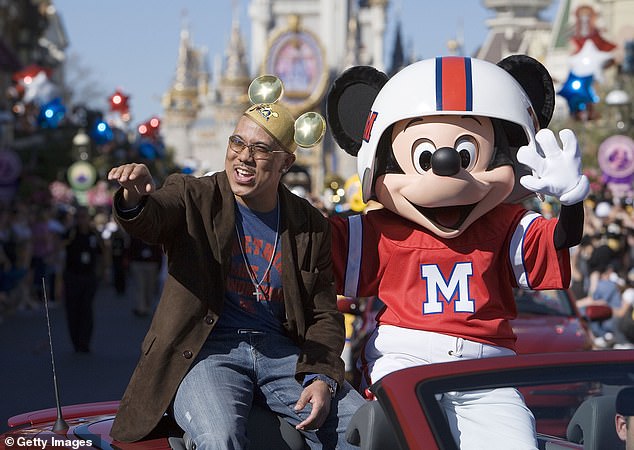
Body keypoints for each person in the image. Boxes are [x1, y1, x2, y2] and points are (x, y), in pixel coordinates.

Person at [326, 55, 589, 449]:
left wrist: (571, 202)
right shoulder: (378, 231)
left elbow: (556, 242)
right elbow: (307, 243)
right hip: (405, 364)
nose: (447, 167)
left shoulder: (504, 225)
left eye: (466, 155)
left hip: (485, 374)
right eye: (425, 157)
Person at [107, 78, 365, 448]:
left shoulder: (308, 224)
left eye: (260, 149)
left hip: (282, 356)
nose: (243, 156)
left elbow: (323, 314)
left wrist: (321, 378)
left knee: (361, 429)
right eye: (237, 142)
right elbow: (155, 217)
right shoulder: (196, 195)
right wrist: (135, 199)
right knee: (219, 437)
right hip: (207, 352)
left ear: (285, 163)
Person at [62, 206, 105, 353]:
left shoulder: (94, 234)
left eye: (84, 217)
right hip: (73, 275)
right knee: (73, 310)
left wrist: (102, 272)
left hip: (89, 276)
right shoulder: (71, 233)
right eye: (78, 217)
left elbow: (103, 252)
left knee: (86, 309)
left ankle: (85, 342)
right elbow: (61, 248)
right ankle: (75, 342)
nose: (81, 220)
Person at [128, 235, 162, 316]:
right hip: (138, 262)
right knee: (140, 286)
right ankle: (141, 307)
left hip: (151, 263)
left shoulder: (155, 232)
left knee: (150, 287)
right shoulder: (135, 233)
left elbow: (159, 249)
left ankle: (147, 306)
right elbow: (131, 247)